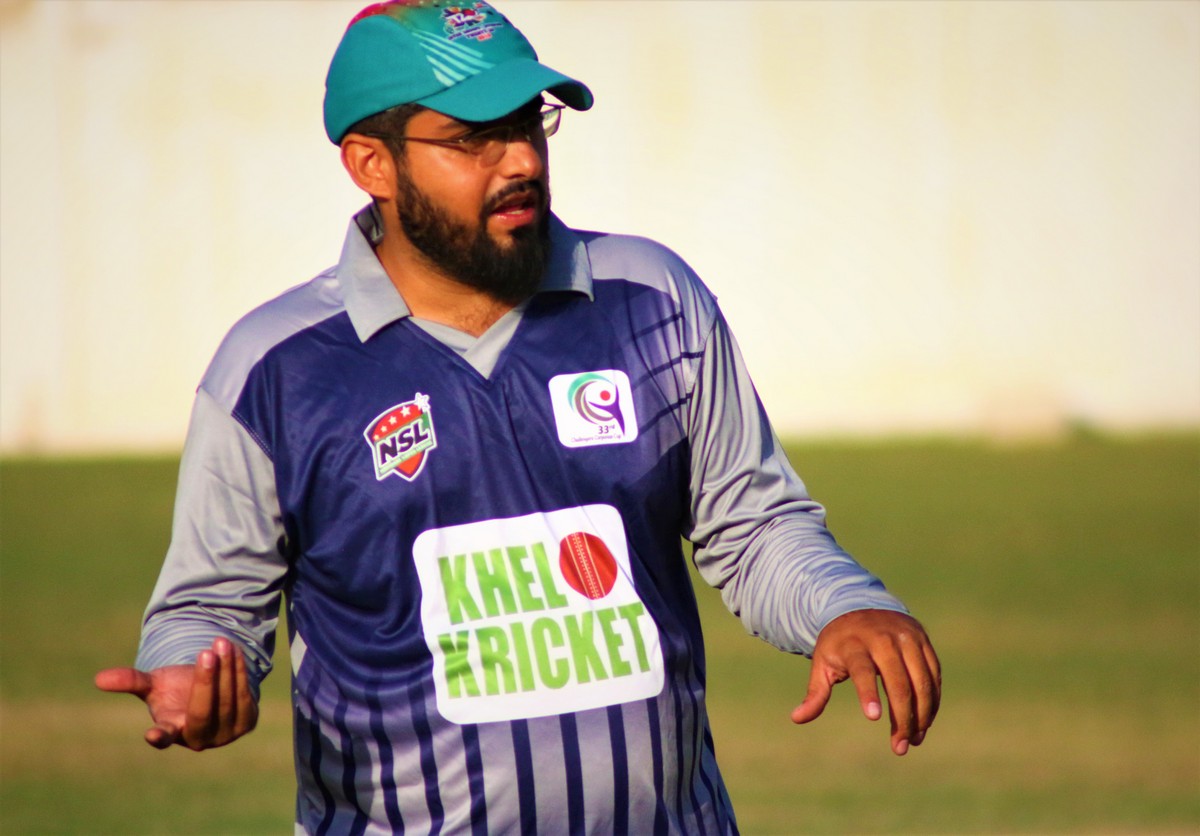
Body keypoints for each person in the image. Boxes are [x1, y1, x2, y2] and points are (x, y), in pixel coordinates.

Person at [96, 2, 941, 833]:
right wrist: (191, 676)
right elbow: (208, 609)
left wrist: (843, 605)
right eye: (473, 138)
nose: (521, 160)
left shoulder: (652, 301)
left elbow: (754, 527)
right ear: (372, 164)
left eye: (528, 124)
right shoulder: (276, 369)